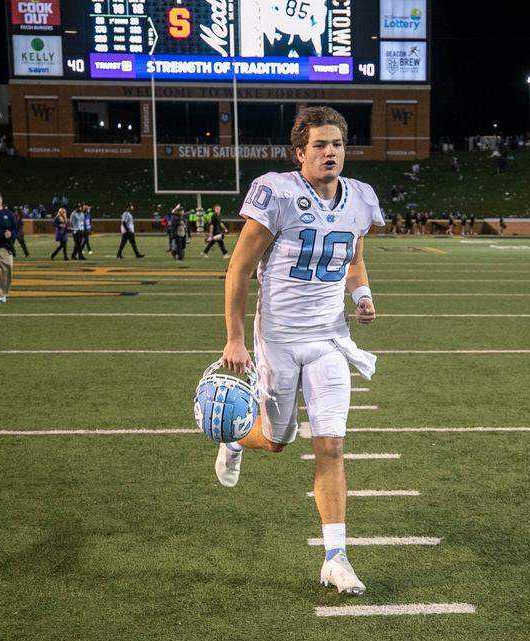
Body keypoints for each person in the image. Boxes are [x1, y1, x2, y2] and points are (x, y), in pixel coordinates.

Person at [212, 105, 382, 596]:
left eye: (337, 144)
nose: (330, 153)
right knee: (278, 438)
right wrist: (236, 337)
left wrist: (362, 297)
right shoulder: (278, 192)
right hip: (279, 340)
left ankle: (336, 556)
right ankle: (236, 439)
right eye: (320, 146)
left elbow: (354, 262)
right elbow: (239, 269)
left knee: (330, 444)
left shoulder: (360, 200)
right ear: (300, 153)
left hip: (329, 338)